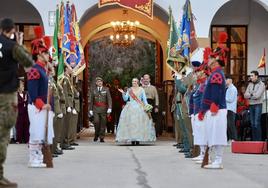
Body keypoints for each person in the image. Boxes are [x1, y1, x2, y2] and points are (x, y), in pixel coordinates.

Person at [0, 18, 34, 187]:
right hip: (6, 95)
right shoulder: (11, 46)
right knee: (3, 134)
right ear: (12, 31)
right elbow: (28, 62)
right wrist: (19, 43)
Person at [199, 32, 228, 169]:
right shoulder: (215, 73)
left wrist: (214, 105)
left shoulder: (216, 74)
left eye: (210, 58)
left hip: (217, 108)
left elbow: (216, 92)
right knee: (213, 134)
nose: (207, 60)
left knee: (217, 135)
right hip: (213, 108)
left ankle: (218, 160)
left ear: (215, 60)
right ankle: (215, 159)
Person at [27, 26, 54, 168]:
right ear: (38, 54)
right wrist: (41, 105)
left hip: (45, 107)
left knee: (42, 134)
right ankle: (33, 159)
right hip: (37, 107)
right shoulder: (34, 70)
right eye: (45, 53)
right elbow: (32, 92)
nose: (48, 56)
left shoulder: (44, 70)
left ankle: (39, 157)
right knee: (36, 133)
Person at [116, 78, 156, 145]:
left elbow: (144, 99)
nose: (133, 82)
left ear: (138, 82)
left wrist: (147, 107)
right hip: (130, 107)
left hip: (139, 107)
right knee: (131, 124)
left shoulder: (141, 89)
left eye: (135, 81)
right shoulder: (129, 90)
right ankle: (132, 139)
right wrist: (123, 93)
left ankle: (138, 139)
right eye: (132, 81)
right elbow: (125, 99)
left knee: (138, 124)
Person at [89, 77, 112, 142]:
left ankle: (102, 137)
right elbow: (91, 100)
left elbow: (109, 99)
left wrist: (110, 108)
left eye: (101, 82)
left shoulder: (106, 89)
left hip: (103, 109)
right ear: (96, 83)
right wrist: (90, 109)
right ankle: (96, 135)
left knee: (103, 123)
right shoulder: (94, 90)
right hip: (95, 109)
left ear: (102, 82)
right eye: (98, 82)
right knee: (96, 122)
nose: (100, 83)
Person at [244, 70, 265, 141]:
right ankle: (254, 141)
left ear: (256, 76)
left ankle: (258, 141)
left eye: (252, 76)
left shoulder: (261, 84)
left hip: (258, 105)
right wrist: (252, 94)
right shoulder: (250, 84)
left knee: (256, 123)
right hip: (251, 105)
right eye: (250, 76)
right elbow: (245, 95)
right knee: (252, 124)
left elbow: (257, 96)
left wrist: (250, 95)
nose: (251, 77)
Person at [15, 79, 30, 144]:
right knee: (19, 126)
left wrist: (26, 101)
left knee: (26, 126)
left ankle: (27, 140)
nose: (23, 87)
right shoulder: (16, 95)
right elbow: (17, 103)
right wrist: (24, 100)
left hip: (26, 112)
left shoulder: (25, 93)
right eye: (22, 86)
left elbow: (27, 102)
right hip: (19, 113)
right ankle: (19, 140)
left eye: (23, 86)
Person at [225, 75, 238, 142]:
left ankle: (234, 138)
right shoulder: (228, 88)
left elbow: (230, 99)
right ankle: (230, 138)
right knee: (228, 124)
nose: (225, 81)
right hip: (227, 108)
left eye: (226, 80)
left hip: (231, 109)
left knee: (231, 124)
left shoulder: (233, 88)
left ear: (230, 80)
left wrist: (223, 98)